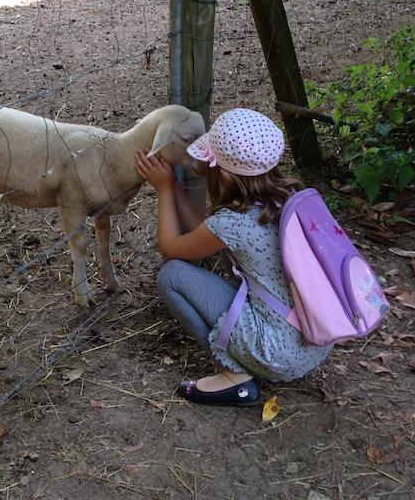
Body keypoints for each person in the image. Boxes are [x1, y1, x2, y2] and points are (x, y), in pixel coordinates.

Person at [134, 108, 333, 406]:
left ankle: (233, 374)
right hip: (316, 338)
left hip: (277, 351)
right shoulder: (287, 196)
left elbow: (171, 248)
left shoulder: (233, 222)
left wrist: (163, 190)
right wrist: (175, 187)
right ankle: (245, 359)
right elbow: (209, 231)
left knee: (172, 275)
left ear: (223, 173)